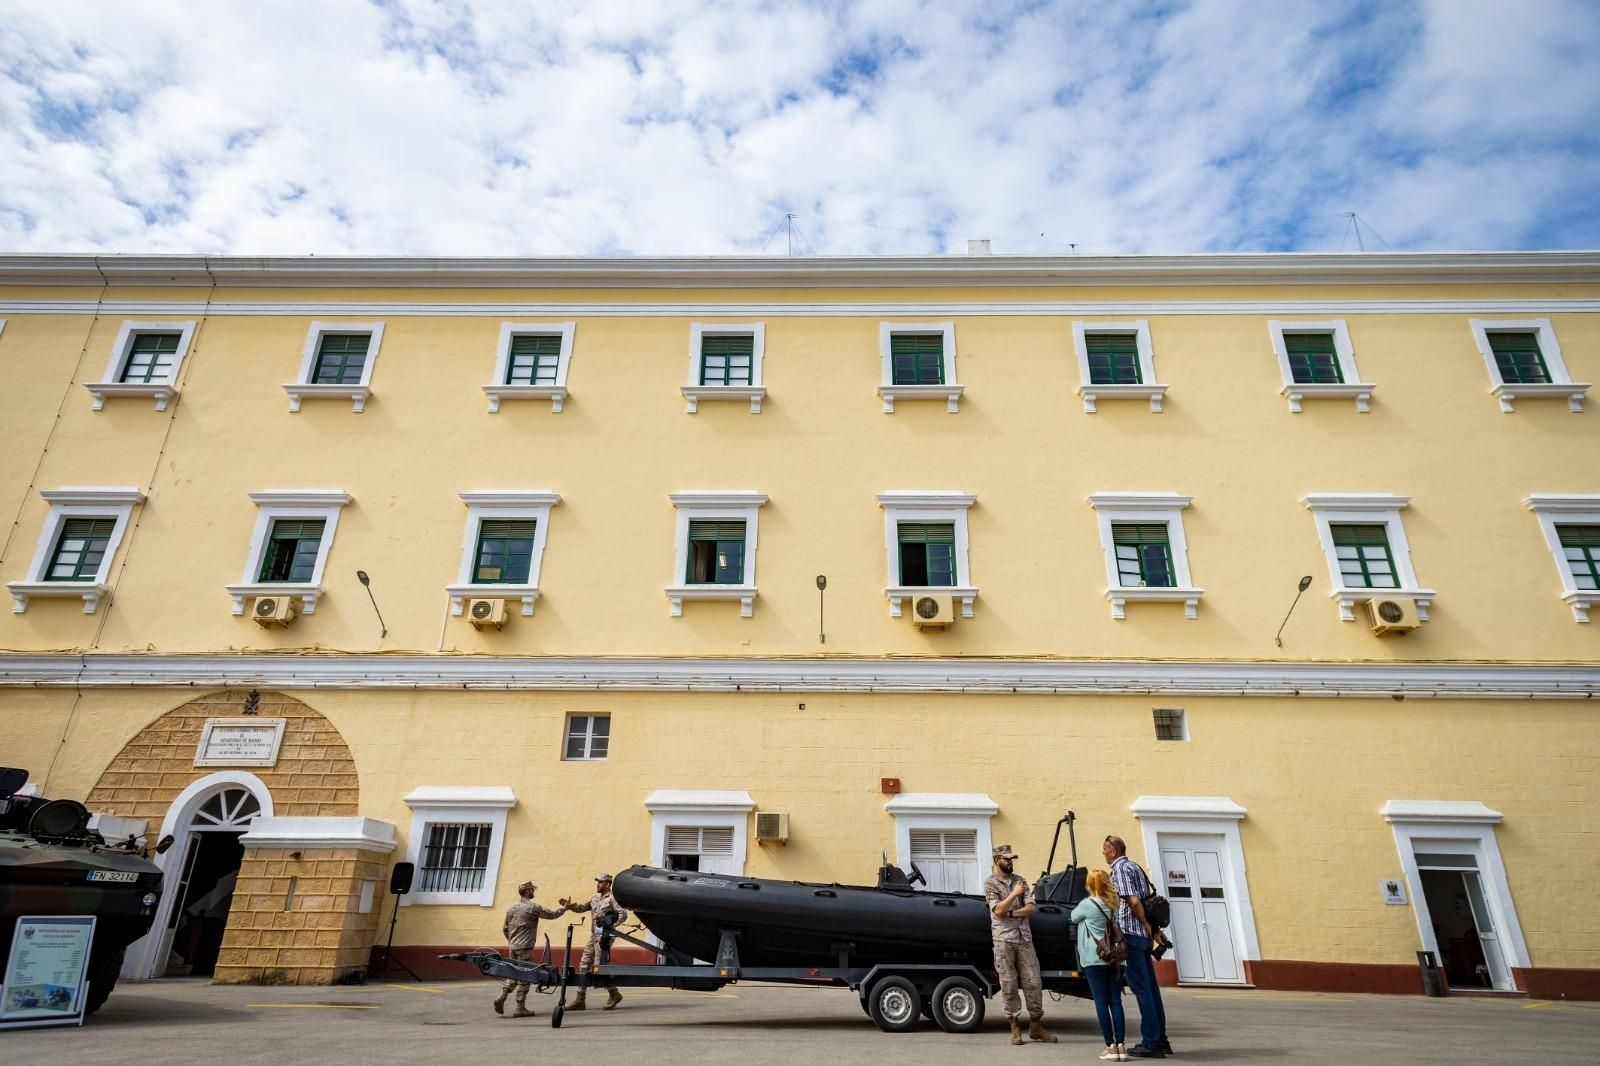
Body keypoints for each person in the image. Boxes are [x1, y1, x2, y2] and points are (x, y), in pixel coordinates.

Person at [1104, 836, 1173, 1059]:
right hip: (1143, 937)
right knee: (1151, 989)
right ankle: (1161, 1040)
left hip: (1132, 936)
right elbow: (1147, 900)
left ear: (1113, 851)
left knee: (1142, 989)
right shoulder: (1136, 867)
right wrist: (1152, 930)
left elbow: (1133, 902)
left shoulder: (1120, 870)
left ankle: (1151, 1042)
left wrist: (1145, 924)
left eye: (1105, 850)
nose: (1103, 854)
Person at [983, 844, 1057, 1046]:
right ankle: (1014, 1026)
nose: (1010, 862)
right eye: (1006, 859)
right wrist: (1015, 895)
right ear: (997, 860)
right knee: (1008, 983)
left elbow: (1031, 907)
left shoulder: (1020, 880)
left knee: (1033, 981)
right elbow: (997, 910)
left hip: (1024, 938)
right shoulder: (991, 884)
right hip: (1003, 939)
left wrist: (1012, 913)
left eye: (1012, 858)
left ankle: (1036, 1026)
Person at [1072, 869, 1128, 1061]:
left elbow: (1073, 917)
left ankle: (1109, 1046)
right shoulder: (1113, 904)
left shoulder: (1087, 904)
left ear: (1090, 885)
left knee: (1101, 1003)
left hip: (1094, 958)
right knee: (1116, 1002)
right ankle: (1121, 1046)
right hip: (1115, 958)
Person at [494, 881, 566, 1018]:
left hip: (513, 946)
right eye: (532, 890)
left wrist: (512, 941)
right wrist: (565, 908)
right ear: (527, 891)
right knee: (524, 976)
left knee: (513, 973)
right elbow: (551, 915)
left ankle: (502, 996)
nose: (534, 892)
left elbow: (505, 928)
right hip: (525, 947)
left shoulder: (511, 908)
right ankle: (520, 1008)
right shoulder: (532, 907)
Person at [560, 872, 627, 1010]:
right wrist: (570, 907)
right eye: (597, 882)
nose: (598, 884)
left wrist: (611, 927)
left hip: (605, 936)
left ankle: (614, 993)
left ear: (607, 884)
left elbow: (623, 914)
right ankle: (580, 999)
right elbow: (582, 908)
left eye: (600, 882)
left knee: (599, 966)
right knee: (584, 964)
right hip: (594, 935)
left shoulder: (613, 898)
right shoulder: (595, 898)